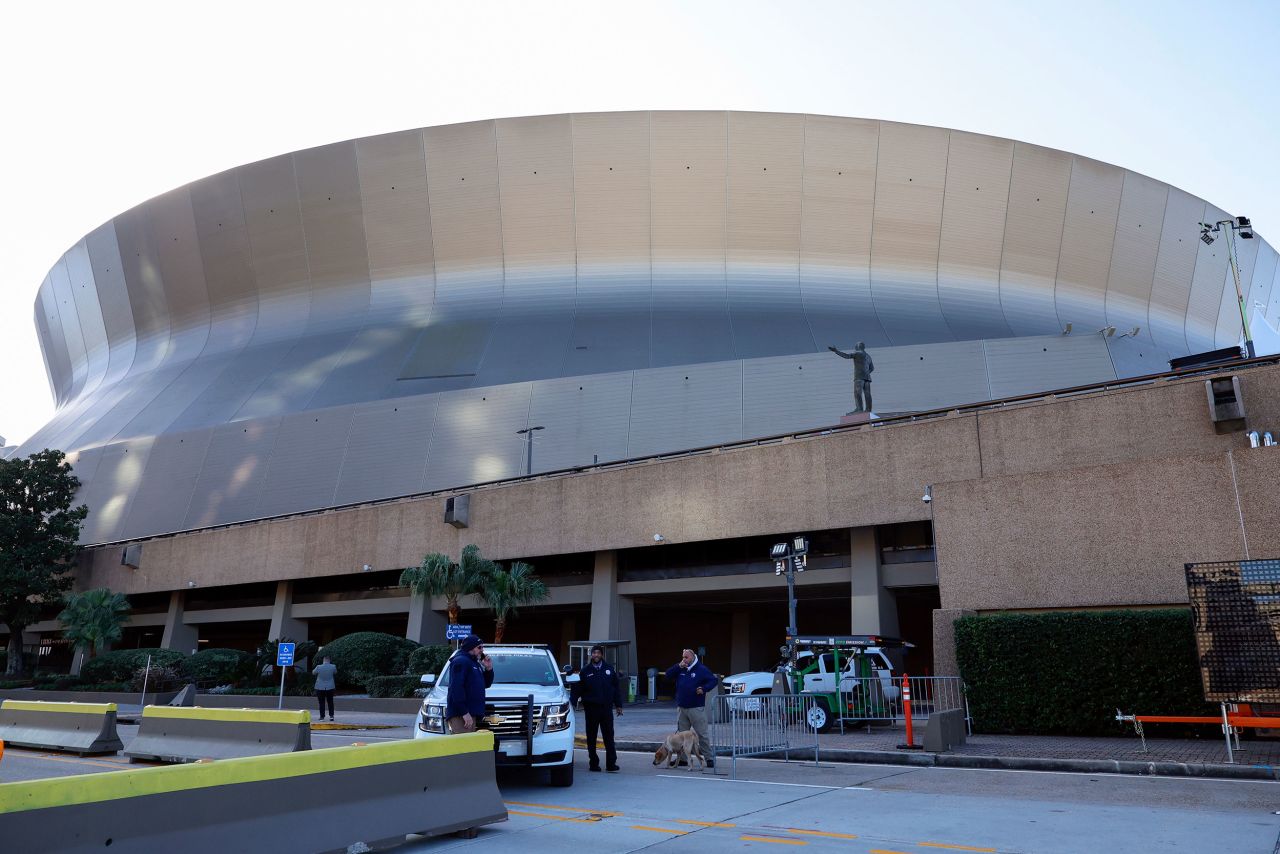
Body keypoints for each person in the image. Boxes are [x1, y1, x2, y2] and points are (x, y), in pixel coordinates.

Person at [571, 644, 624, 772]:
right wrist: (571, 703)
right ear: (591, 655)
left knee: (609, 737)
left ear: (602, 655)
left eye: (598, 653)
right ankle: (593, 764)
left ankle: (611, 764)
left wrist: (618, 705)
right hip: (591, 710)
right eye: (594, 653)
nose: (596, 655)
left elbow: (616, 688)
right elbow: (577, 689)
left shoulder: (609, 669)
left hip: (606, 709)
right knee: (591, 737)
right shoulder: (585, 671)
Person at [664, 648, 718, 768]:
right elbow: (668, 675)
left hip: (696, 708)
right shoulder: (681, 668)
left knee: (702, 733)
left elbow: (713, 680)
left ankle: (709, 758)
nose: (684, 659)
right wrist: (678, 666)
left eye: (686, 657)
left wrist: (704, 689)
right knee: (681, 736)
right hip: (682, 708)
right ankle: (683, 759)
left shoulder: (701, 669)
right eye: (683, 657)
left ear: (692, 657)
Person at [445, 634, 494, 733]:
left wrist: (488, 669)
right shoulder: (461, 661)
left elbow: (486, 684)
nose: (482, 650)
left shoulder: (474, 663)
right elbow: (456, 688)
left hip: (471, 713)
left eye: (482, 647)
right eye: (479, 647)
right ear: (470, 647)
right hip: (461, 715)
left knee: (469, 746)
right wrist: (464, 712)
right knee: (462, 745)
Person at [828, 342, 874, 412]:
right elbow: (872, 368)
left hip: (859, 377)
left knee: (857, 392)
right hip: (867, 377)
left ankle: (859, 408)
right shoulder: (868, 356)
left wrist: (836, 351)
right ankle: (868, 409)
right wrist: (866, 373)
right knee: (867, 393)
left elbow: (846, 356)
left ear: (858, 347)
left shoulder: (857, 353)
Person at [312, 655, 337, 722]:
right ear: (329, 660)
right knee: (330, 702)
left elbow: (313, 673)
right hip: (330, 687)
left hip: (320, 687)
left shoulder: (318, 667)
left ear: (323, 660)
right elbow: (335, 672)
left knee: (321, 703)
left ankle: (322, 717)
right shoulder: (333, 666)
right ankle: (331, 716)